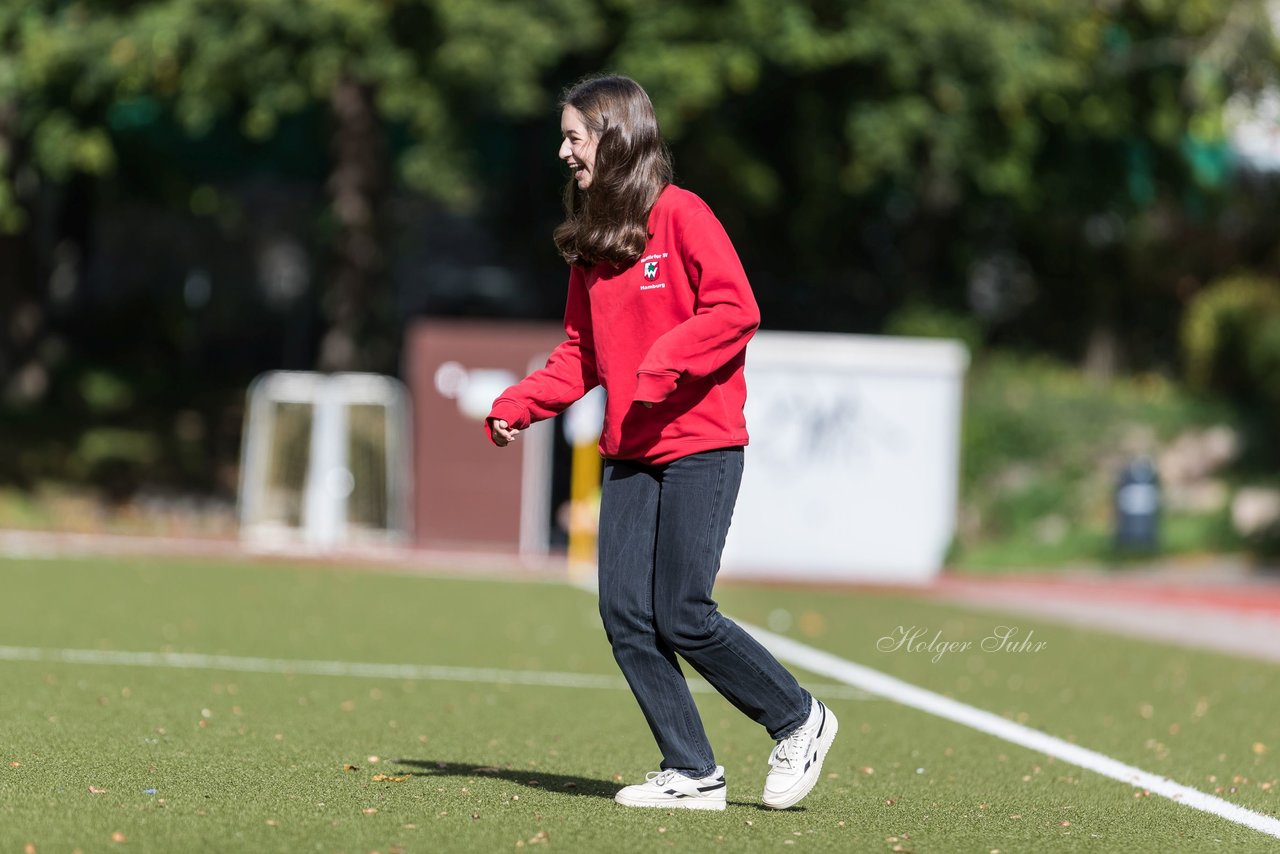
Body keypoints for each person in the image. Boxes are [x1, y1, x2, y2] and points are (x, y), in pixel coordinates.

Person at [485, 74, 837, 811]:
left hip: (701, 444)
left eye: (574, 137)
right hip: (631, 452)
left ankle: (798, 718)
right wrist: (521, 403)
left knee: (682, 612)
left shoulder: (682, 215)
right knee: (624, 615)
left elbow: (736, 308)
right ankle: (692, 770)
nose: (563, 152)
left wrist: (664, 360)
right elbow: (581, 351)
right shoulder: (592, 246)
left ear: (614, 137)